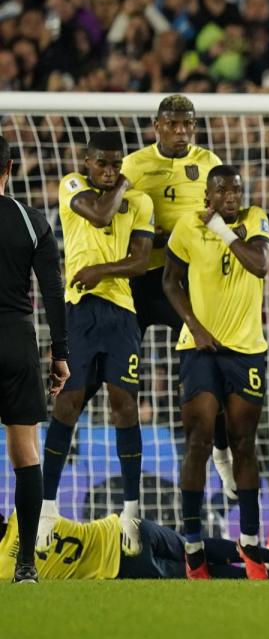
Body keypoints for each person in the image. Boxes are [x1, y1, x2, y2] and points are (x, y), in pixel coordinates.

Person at [38, 132, 154, 556]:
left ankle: (130, 514)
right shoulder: (72, 184)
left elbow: (141, 261)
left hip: (121, 315)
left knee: (124, 406)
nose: (109, 171)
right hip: (79, 314)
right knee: (66, 406)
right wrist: (120, 185)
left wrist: (101, 270)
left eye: (116, 165)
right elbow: (101, 216)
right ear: (86, 162)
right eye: (102, 164)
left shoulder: (140, 201)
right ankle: (47, 511)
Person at [163, 165, 269, 580]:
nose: (231, 196)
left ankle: (249, 545)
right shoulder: (187, 227)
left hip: (246, 351)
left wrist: (224, 231)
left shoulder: (255, 219)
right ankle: (193, 550)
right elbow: (170, 282)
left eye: (236, 190)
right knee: (199, 440)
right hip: (200, 349)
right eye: (222, 190)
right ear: (208, 195)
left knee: (245, 444)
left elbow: (259, 265)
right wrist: (193, 324)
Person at [122, 95, 235, 497]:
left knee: (208, 368)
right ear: (157, 126)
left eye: (187, 124)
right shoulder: (133, 165)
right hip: (140, 280)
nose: (181, 131)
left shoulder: (208, 162)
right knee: (120, 379)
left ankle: (222, 457)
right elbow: (120, 218)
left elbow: (222, 213)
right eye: (172, 124)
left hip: (185, 280)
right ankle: (127, 484)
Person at [0, 136, 70, 583]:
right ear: (9, 168)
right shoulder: (30, 220)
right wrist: (59, 353)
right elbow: (52, 292)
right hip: (15, 341)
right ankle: (26, 564)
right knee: (24, 450)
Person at [0, 510, 269, 580]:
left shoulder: (3, 570)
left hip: (120, 564)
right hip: (124, 528)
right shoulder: (22, 512)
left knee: (194, 573)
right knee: (195, 548)